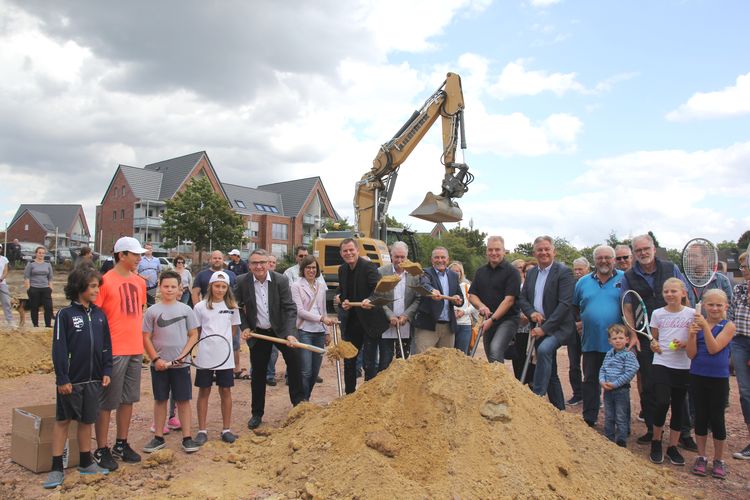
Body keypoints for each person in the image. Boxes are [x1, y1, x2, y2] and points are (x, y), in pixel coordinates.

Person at [621, 234, 695, 449]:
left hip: (676, 337)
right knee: (650, 385)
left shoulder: (670, 267)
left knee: (681, 387)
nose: (643, 253)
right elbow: (627, 306)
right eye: (638, 250)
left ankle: (684, 433)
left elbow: (685, 296)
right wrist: (633, 334)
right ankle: (653, 430)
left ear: (654, 249)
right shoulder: (629, 275)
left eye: (646, 249)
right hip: (646, 337)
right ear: (634, 253)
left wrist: (690, 329)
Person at [43, 267, 113, 488]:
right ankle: (56, 468)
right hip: (71, 381)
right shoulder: (65, 315)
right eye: (92, 287)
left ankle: (85, 462)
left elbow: (106, 347)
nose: (96, 291)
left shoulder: (100, 314)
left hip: (94, 379)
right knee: (63, 421)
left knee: (87, 421)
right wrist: (62, 378)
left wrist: (107, 371)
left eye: (97, 287)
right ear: (78, 287)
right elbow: (59, 348)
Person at [93, 236, 147, 471]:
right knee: (106, 402)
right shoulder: (104, 282)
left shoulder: (140, 282)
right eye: (134, 254)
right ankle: (101, 447)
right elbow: (95, 317)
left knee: (128, 399)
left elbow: (140, 312)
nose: (139, 258)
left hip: (135, 348)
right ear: (121, 255)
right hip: (113, 351)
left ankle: (121, 443)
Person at [237, 249, 303, 429]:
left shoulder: (280, 280)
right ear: (249, 265)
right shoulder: (242, 281)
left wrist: (290, 332)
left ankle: (298, 407)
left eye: (262, 263)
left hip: (281, 330)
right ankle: (257, 413)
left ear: (268, 263)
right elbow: (237, 307)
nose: (258, 266)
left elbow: (290, 308)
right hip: (258, 333)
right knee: (258, 373)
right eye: (254, 263)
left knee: (295, 365)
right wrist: (245, 327)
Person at [142, 270, 200, 454]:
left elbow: (194, 335)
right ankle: (158, 436)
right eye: (166, 286)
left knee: (183, 400)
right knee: (160, 400)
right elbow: (146, 337)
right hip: (159, 366)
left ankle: (187, 437)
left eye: (173, 287)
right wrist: (156, 359)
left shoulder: (186, 310)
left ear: (180, 289)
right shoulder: (152, 311)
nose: (169, 290)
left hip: (180, 366)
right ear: (159, 287)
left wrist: (183, 356)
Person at [518, 236, 575, 411]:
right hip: (539, 324)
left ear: (553, 251)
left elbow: (565, 304)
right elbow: (523, 297)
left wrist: (544, 328)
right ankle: (559, 410)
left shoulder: (563, 272)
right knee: (551, 370)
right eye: (539, 250)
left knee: (543, 350)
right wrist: (531, 312)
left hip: (558, 327)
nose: (543, 252)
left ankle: (537, 394)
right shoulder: (533, 272)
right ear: (534, 253)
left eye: (546, 249)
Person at [686, 288, 735, 479]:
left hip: (718, 379)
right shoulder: (696, 325)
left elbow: (714, 348)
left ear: (725, 306)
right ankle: (701, 456)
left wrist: (705, 327)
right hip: (698, 375)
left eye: (718, 305)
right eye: (711, 304)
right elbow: (691, 354)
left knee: (717, 419)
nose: (714, 308)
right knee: (700, 416)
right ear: (704, 305)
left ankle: (718, 459)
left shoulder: (728, 326)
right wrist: (691, 334)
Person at [573, 245, 624, 427]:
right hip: (591, 341)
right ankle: (589, 417)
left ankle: (617, 422)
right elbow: (574, 306)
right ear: (594, 261)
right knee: (590, 380)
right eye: (600, 258)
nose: (603, 261)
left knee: (616, 383)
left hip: (616, 343)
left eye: (607, 257)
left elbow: (631, 307)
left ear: (614, 259)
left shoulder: (624, 279)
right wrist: (578, 322)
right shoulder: (583, 282)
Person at [647, 277, 694, 466]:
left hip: (683, 365)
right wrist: (653, 344)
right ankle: (656, 441)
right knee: (661, 402)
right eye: (666, 291)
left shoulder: (692, 314)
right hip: (662, 362)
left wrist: (685, 344)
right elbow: (654, 339)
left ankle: (673, 446)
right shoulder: (657, 314)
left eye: (673, 291)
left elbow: (694, 342)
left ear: (683, 293)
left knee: (678, 406)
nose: (669, 294)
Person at [193, 271, 241, 445]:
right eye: (217, 286)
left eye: (223, 287)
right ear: (210, 286)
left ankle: (226, 429)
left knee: (226, 391)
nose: (220, 290)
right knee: (204, 391)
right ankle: (202, 430)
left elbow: (234, 329)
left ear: (227, 288)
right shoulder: (200, 306)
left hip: (225, 356)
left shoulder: (232, 307)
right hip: (206, 355)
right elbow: (197, 331)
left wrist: (224, 343)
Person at [337, 239, 389, 392]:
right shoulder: (342, 270)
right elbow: (341, 292)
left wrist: (370, 300)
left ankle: (369, 395)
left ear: (357, 251)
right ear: (341, 254)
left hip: (370, 322)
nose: (348, 253)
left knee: (369, 362)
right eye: (345, 251)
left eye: (351, 250)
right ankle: (349, 395)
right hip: (352, 323)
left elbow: (379, 289)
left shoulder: (368, 267)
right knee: (349, 361)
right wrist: (342, 299)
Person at [468, 236, 520, 362]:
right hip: (487, 319)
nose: (494, 253)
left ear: (504, 251)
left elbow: (509, 301)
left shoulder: (512, 272)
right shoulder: (480, 272)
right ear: (486, 252)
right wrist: (481, 306)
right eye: (490, 250)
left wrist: (492, 319)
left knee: (495, 351)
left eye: (497, 250)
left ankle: (501, 381)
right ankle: (497, 381)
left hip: (507, 320)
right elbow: (472, 296)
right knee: (491, 356)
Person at [192, 251, 241, 377]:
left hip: (226, 319)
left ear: (223, 259)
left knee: (234, 344)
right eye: (215, 258)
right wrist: (200, 308)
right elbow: (195, 292)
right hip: (207, 314)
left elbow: (235, 292)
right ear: (210, 259)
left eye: (219, 258)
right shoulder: (202, 275)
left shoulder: (231, 274)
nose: (217, 260)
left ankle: (236, 368)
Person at [291, 256, 333, 399]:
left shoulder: (320, 286)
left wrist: (327, 332)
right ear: (303, 269)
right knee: (305, 371)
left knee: (315, 371)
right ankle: (303, 400)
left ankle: (306, 396)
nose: (311, 270)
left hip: (319, 332)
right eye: (308, 267)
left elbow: (323, 310)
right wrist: (321, 319)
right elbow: (300, 311)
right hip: (304, 332)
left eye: (314, 267)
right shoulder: (296, 286)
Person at [412, 247, 463, 354]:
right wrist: (432, 290)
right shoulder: (425, 273)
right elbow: (425, 284)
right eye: (437, 257)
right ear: (432, 260)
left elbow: (459, 296)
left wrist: (458, 300)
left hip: (448, 327)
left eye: (443, 257)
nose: (440, 260)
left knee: (445, 363)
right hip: (428, 326)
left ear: (448, 260)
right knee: (423, 360)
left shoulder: (453, 275)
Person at [378, 242, 421, 368]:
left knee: (402, 360)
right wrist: (389, 315)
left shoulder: (415, 274)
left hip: (405, 323)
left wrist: (406, 315)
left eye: (403, 257)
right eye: (396, 257)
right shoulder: (381, 272)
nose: (400, 260)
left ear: (407, 257)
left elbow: (418, 298)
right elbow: (377, 297)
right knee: (385, 360)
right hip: (386, 324)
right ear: (391, 256)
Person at [599, 324, 638, 447]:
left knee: (621, 416)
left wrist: (615, 384)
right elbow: (602, 369)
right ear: (610, 341)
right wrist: (602, 381)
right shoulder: (609, 354)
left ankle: (622, 440)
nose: (618, 341)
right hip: (608, 390)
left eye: (621, 338)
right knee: (609, 415)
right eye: (615, 338)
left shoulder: (628, 355)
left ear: (627, 339)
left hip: (621, 390)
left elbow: (631, 371)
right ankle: (609, 438)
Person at [728, 252, 750, 460]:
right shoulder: (738, 288)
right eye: (742, 266)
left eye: (745, 266)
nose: (743, 269)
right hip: (740, 341)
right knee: (745, 393)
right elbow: (732, 316)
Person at [566, 256, 590, 406]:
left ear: (588, 269)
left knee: (590, 365)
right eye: (575, 269)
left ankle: (592, 394)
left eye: (580, 269)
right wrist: (575, 322)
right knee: (573, 363)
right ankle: (577, 393)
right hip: (573, 329)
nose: (578, 272)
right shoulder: (571, 284)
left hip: (589, 329)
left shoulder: (593, 283)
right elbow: (569, 305)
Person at [24, 246, 54, 328]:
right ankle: (35, 324)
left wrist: (50, 288)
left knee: (48, 307)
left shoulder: (48, 264)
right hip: (34, 288)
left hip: (45, 288)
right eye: (39, 253)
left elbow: (50, 277)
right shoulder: (31, 264)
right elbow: (27, 277)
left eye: (43, 253)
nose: (41, 254)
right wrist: (28, 289)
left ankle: (48, 324)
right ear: (36, 254)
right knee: (34, 307)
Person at [449, 261, 475, 355]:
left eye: (458, 271)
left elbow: (475, 305)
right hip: (449, 325)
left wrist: (464, 312)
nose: (456, 273)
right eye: (454, 271)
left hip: (464, 325)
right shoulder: (446, 286)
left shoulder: (467, 286)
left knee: (462, 355)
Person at [0, 246, 14, 327]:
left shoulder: (4, 259)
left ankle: (10, 321)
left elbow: (5, 271)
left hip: (2, 283)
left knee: (6, 302)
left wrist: (1, 279)